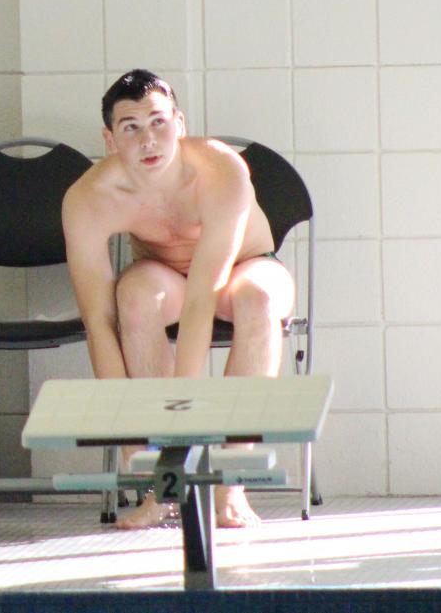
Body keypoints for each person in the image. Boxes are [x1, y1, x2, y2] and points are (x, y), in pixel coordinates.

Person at [61, 69, 296, 530]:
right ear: (110, 140)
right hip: (165, 275)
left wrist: (182, 432)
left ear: (180, 123)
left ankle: (230, 487)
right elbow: (98, 323)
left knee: (260, 298)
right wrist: (141, 456)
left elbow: (202, 301)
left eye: (158, 122)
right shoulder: (88, 198)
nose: (149, 140)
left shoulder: (221, 170)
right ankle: (162, 492)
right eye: (131, 127)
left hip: (242, 267)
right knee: (132, 296)